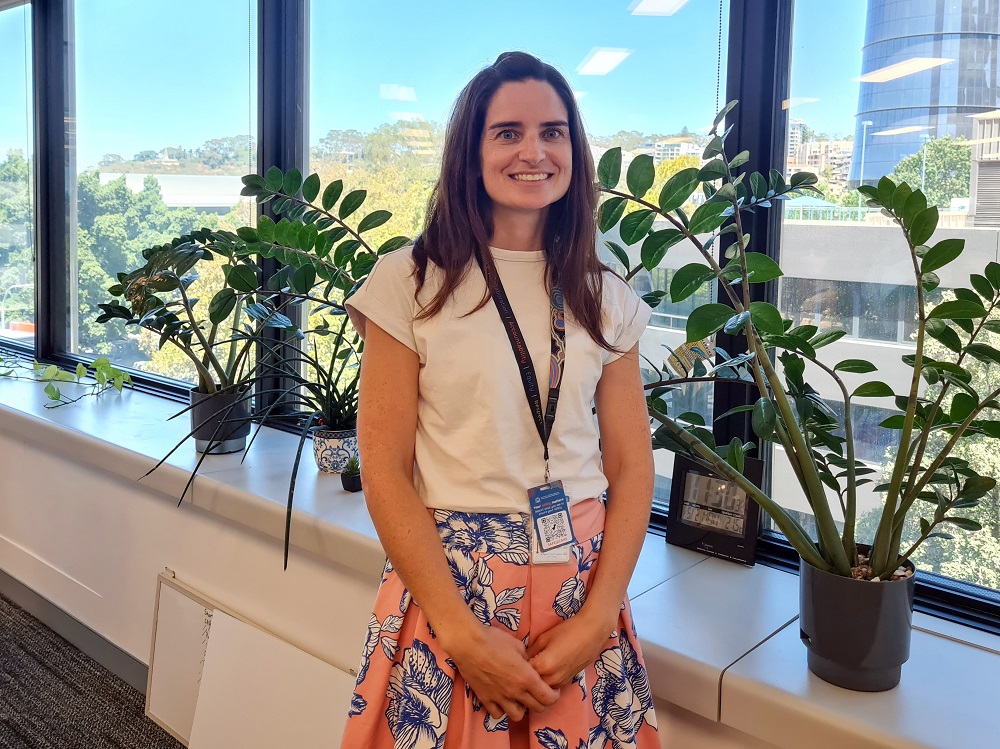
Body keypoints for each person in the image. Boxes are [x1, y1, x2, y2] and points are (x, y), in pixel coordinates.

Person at [341, 51, 658, 749]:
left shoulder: (606, 296)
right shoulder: (411, 282)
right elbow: (385, 469)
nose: (534, 151)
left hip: (582, 598)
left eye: (553, 132)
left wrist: (600, 613)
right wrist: (459, 631)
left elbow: (633, 467)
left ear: (574, 149)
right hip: (452, 594)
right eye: (507, 132)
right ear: (471, 152)